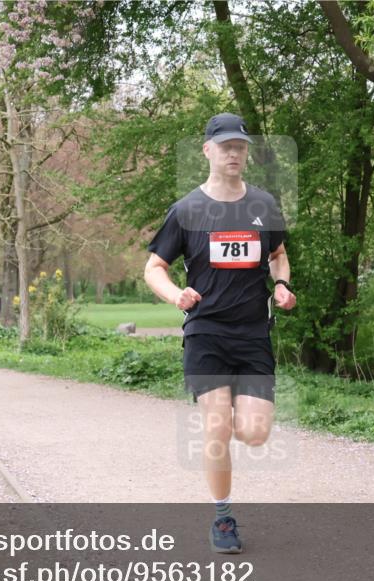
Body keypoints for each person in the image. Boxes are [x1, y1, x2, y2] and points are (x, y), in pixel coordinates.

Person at [144, 113, 296, 554]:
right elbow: (154, 268)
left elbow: (278, 254)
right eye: (225, 145)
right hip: (206, 333)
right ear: (207, 150)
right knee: (217, 426)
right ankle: (223, 517)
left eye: (240, 146)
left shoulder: (263, 205)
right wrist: (176, 295)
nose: (234, 152)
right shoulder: (188, 210)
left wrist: (281, 285)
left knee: (254, 433)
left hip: (252, 335)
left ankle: (233, 437)